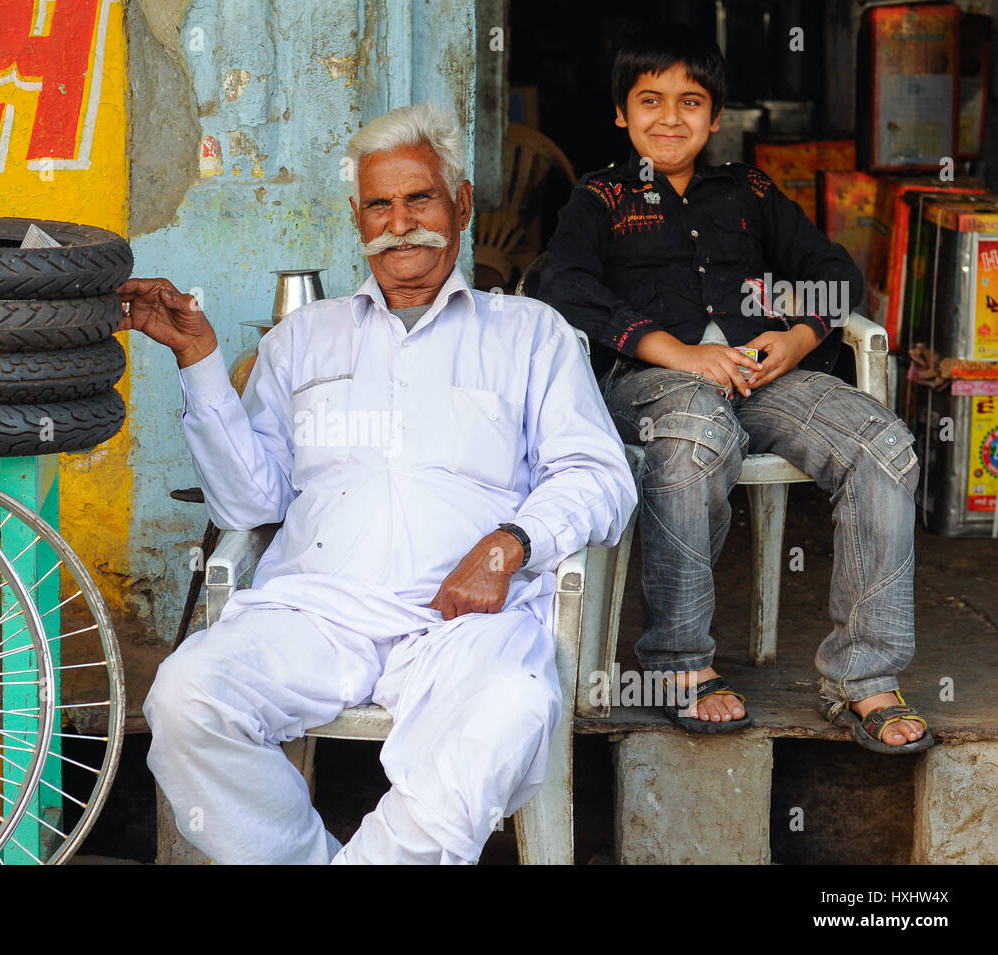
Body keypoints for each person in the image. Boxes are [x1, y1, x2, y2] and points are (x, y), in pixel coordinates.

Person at [122, 102, 637, 864]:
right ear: (358, 219)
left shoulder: (532, 334)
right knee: (185, 695)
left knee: (511, 706)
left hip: (463, 622)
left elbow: (600, 476)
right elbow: (249, 502)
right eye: (379, 205)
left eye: (420, 198)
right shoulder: (301, 339)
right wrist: (199, 361)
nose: (401, 223)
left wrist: (510, 542)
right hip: (319, 607)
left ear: (460, 204)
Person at [538, 24, 932, 752]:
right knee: (694, 437)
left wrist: (797, 337)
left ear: (715, 117)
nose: (670, 117)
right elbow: (561, 286)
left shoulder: (749, 191)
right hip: (651, 384)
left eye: (691, 102)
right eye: (649, 100)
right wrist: (677, 353)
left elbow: (834, 268)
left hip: (758, 377)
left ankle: (864, 674)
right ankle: (680, 664)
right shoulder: (601, 196)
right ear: (622, 113)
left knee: (883, 445)